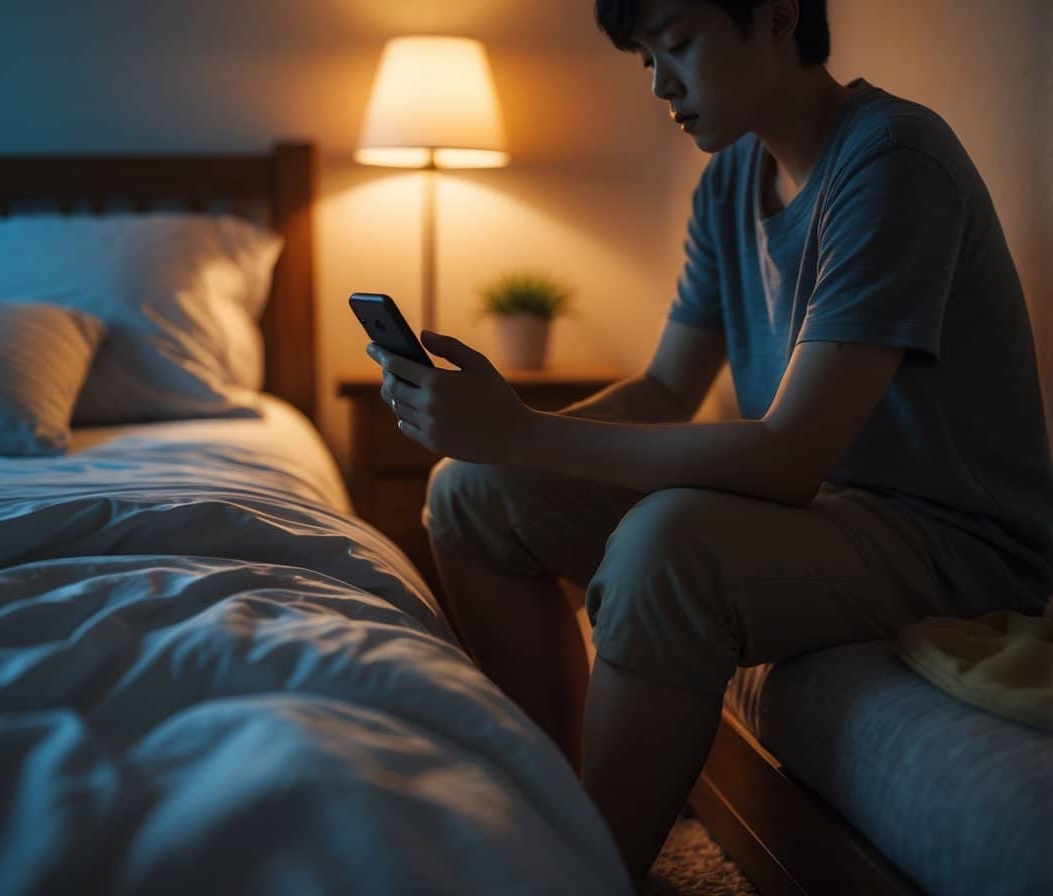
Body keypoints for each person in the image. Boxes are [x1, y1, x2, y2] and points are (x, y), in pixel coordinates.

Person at [364, 0, 1053, 886]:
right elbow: (663, 390)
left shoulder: (893, 162)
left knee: (668, 547)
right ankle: (559, 804)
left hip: (953, 542)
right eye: (645, 57)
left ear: (775, 17)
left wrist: (528, 432)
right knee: (471, 489)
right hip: (824, 514)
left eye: (677, 44)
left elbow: (789, 453)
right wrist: (500, 440)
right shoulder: (731, 181)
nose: (659, 83)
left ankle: (583, 874)